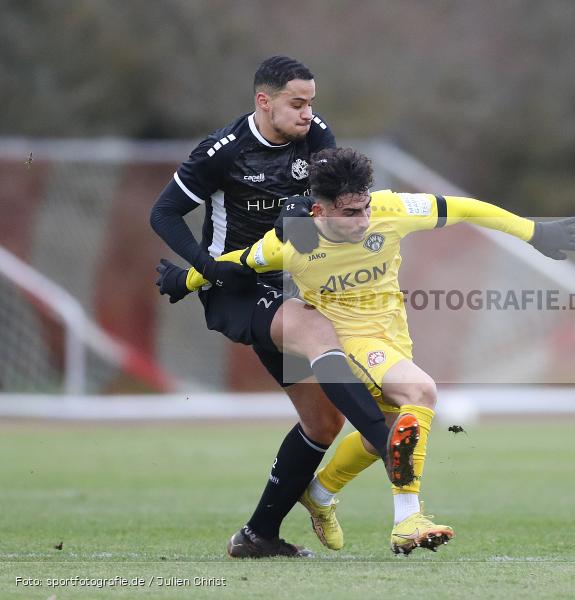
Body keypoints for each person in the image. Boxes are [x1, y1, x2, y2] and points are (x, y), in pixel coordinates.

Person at [172, 146, 575, 554]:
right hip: (348, 343)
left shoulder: (393, 209)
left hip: (394, 338)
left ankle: (319, 492)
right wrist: (185, 279)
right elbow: (236, 262)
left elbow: (465, 208)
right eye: (351, 213)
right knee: (420, 393)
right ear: (319, 211)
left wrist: (534, 232)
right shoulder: (292, 245)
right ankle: (408, 520)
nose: (364, 219)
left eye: (366, 207)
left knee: (388, 432)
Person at [149, 56, 420, 558]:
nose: (307, 113)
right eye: (297, 104)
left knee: (322, 424)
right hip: (235, 289)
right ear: (264, 101)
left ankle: (258, 536)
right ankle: (386, 445)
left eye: (311, 103)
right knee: (317, 333)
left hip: (291, 283)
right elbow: (163, 213)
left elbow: (332, 197)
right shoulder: (222, 151)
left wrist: (308, 216)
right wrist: (205, 269)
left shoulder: (315, 135)